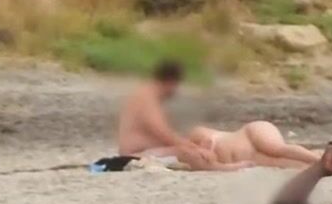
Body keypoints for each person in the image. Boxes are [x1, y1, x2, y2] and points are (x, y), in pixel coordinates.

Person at [116, 61, 319, 171]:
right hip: (136, 153)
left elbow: (164, 134)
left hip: (248, 136)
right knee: (278, 158)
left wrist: (192, 147)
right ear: (170, 82)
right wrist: (193, 148)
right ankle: (320, 158)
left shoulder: (146, 96)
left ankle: (318, 158)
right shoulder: (147, 97)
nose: (175, 92)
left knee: (277, 151)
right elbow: (161, 132)